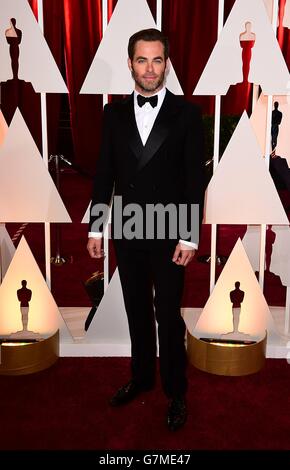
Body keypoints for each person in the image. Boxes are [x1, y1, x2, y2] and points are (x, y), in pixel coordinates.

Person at [87, 29, 205, 431]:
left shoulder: (187, 114)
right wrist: (97, 229)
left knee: (167, 315)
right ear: (130, 64)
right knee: (136, 309)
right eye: (142, 60)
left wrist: (190, 235)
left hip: (171, 233)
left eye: (157, 60)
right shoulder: (113, 114)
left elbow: (193, 181)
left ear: (166, 64)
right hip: (128, 228)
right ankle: (141, 378)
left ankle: (176, 391)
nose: (150, 68)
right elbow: (104, 175)